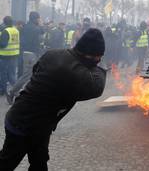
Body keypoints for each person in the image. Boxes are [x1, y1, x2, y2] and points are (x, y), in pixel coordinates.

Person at [0, 28, 107, 170]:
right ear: (89, 56)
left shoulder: (53, 54)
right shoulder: (75, 72)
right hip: (25, 124)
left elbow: (35, 70)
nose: (99, 61)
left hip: (36, 123)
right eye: (98, 58)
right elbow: (97, 87)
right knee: (6, 163)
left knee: (39, 161)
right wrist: (98, 67)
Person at [0, 16, 20, 96]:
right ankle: (15, 89)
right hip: (14, 54)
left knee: (3, 73)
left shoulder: (5, 31)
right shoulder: (15, 30)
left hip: (5, 55)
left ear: (5, 22)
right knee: (12, 74)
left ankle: (3, 90)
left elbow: (3, 44)